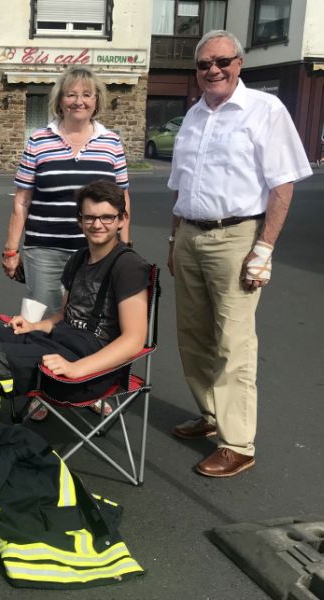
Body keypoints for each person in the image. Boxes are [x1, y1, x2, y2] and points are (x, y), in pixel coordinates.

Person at [167, 30, 312, 477]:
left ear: (239, 63)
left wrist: (264, 249)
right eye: (204, 64)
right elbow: (181, 185)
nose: (213, 70)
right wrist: (175, 241)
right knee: (193, 336)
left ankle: (238, 443)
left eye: (222, 61)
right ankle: (212, 415)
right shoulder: (193, 115)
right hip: (190, 234)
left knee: (234, 342)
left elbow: (282, 183)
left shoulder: (265, 110)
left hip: (236, 237)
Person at [0, 180, 149, 420]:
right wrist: (34, 326)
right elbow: (64, 315)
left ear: (121, 219)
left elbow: (134, 340)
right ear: (80, 221)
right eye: (89, 217)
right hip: (54, 339)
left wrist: (76, 368)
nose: (97, 224)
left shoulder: (129, 266)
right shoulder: (79, 259)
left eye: (107, 217)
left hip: (87, 364)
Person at [2, 66, 131, 320]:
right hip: (44, 250)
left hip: (97, 249)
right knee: (37, 317)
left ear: (96, 101)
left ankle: (76, 361)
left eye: (86, 94)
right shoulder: (38, 141)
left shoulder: (111, 143)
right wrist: (10, 249)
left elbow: (123, 198)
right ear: (60, 100)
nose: (79, 101)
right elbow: (22, 201)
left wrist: (124, 246)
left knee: (89, 317)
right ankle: (33, 359)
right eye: (71, 94)